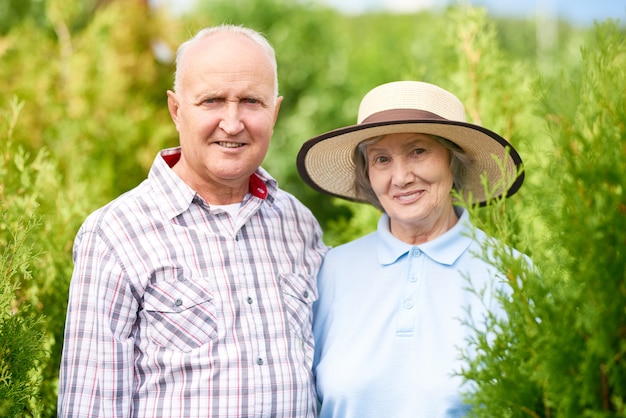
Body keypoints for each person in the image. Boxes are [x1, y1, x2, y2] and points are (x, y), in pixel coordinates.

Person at [58, 24, 327, 417]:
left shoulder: (298, 225)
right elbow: (91, 407)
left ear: (275, 111)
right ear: (176, 109)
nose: (233, 123)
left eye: (252, 101)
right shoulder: (116, 234)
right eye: (212, 101)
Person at [297, 80, 526, 417]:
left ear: (453, 161)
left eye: (418, 151)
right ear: (367, 173)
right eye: (381, 159)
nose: (400, 177)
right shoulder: (331, 270)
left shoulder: (511, 274)